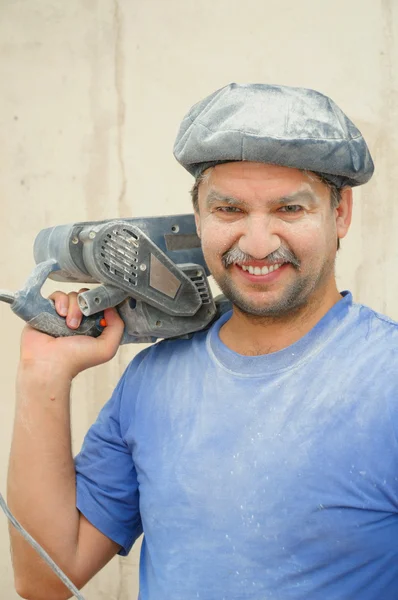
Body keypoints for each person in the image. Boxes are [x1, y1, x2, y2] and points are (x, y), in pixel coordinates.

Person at [8, 83, 398, 600]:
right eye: (230, 210)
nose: (257, 244)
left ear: (341, 212)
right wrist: (42, 376)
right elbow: (43, 578)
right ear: (198, 217)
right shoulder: (150, 380)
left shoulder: (387, 380)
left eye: (289, 209)